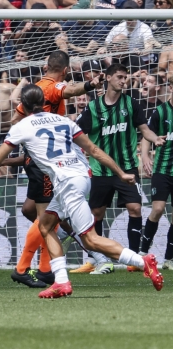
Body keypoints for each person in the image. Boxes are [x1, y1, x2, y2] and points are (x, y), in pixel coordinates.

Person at [0, 84, 163, 298]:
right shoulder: (65, 121)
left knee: (90, 239)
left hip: (67, 183)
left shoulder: (22, 126)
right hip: (81, 177)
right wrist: (120, 173)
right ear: (44, 103)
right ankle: (61, 282)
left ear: (22, 106)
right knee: (46, 226)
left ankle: (142, 261)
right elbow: (93, 149)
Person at [9, 50, 108, 284]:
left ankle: (42, 269)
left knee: (33, 211)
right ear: (65, 71)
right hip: (48, 162)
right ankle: (30, 269)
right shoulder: (54, 87)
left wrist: (30, 135)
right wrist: (90, 84)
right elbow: (70, 90)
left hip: (37, 159)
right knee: (47, 218)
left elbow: (14, 121)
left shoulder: (34, 89)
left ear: (45, 66)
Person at [75, 63, 165, 273]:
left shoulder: (131, 103)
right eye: (120, 77)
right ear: (107, 78)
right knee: (96, 214)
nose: (124, 81)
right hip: (101, 169)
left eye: (125, 77)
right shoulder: (93, 107)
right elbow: (78, 133)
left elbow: (144, 130)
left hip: (127, 167)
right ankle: (98, 258)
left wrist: (155, 139)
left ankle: (133, 258)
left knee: (135, 208)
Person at [139, 91, 173, 269]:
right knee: (158, 209)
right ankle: (143, 252)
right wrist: (145, 156)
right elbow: (147, 133)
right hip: (162, 169)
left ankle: (169, 259)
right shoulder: (161, 111)